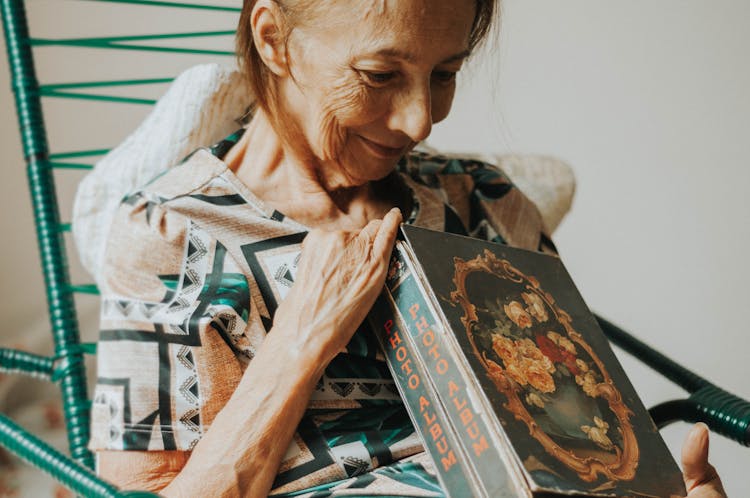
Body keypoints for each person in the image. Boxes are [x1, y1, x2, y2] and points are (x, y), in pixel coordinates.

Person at [88, 1, 727, 497]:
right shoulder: (173, 235)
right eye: (380, 74)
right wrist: (303, 338)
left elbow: (582, 443)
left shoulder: (481, 202)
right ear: (274, 39)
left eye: (445, 74)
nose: (421, 120)